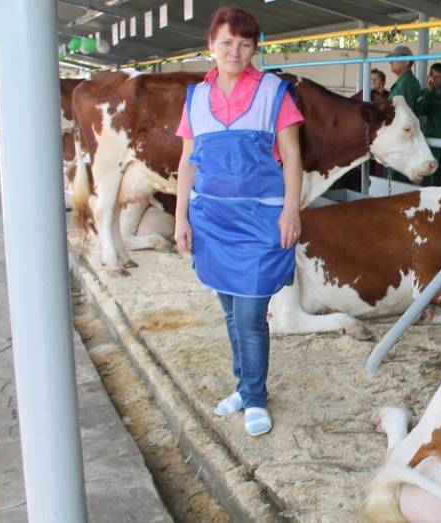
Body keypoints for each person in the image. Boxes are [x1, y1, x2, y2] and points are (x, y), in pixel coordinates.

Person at [174, 5, 304, 437]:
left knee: (250, 314)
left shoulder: (274, 92)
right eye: (226, 42)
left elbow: (292, 158)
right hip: (211, 220)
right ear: (210, 46)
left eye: (245, 44)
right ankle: (244, 385)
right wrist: (181, 218)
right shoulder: (195, 97)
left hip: (259, 221)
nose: (235, 51)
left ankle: (255, 397)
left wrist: (291, 209)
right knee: (230, 311)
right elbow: (187, 163)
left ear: (254, 48)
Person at [383, 45, 421, 184]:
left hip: (401, 143)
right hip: (398, 141)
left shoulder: (406, 83)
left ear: (406, 62)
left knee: (396, 184)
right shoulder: (403, 82)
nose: (390, 62)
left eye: (394, 59)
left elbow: (405, 116)